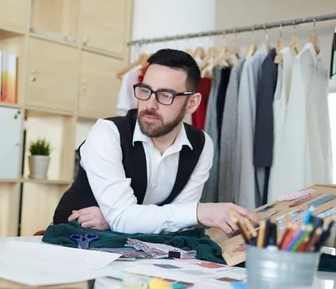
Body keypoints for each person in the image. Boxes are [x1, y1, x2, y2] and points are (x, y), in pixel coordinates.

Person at [53, 49, 257, 235]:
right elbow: (126, 218)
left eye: (165, 95)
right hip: (74, 246)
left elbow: (178, 222)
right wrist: (201, 211)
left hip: (140, 255)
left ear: (192, 103)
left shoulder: (202, 145)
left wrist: (119, 217)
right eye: (145, 90)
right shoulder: (107, 134)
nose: (150, 104)